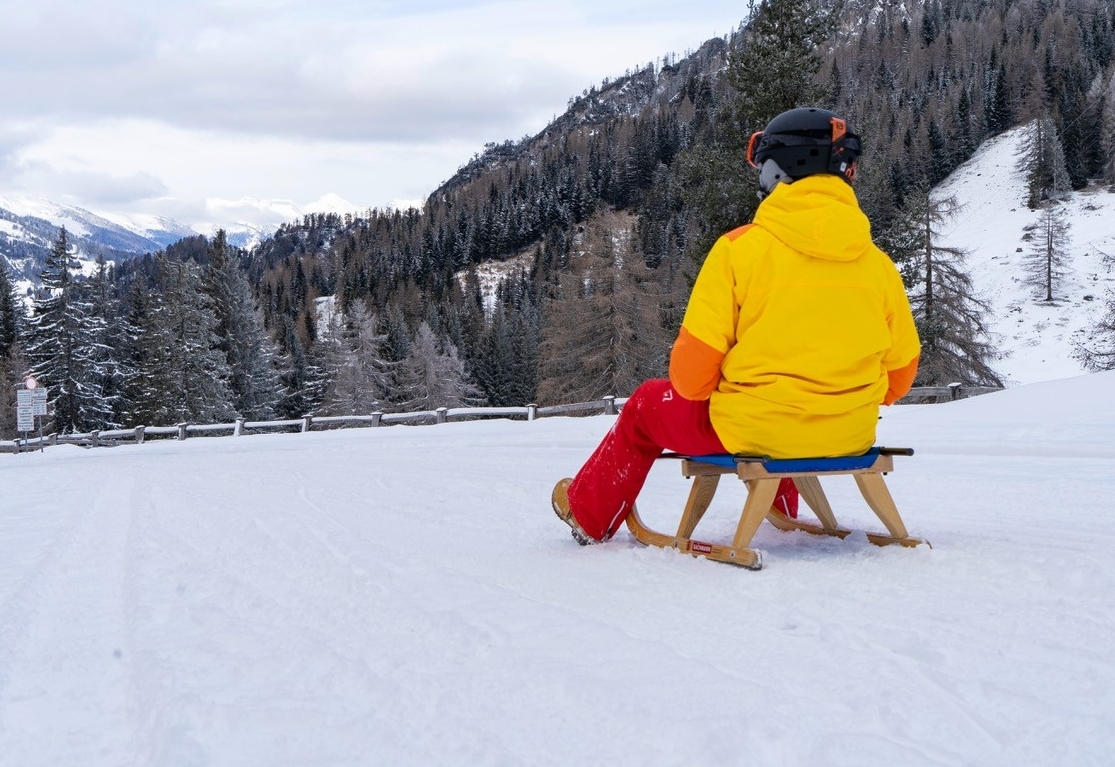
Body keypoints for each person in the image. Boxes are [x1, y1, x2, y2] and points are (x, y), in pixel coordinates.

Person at [552, 107, 921, 546]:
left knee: (645, 406)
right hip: (851, 432)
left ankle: (589, 513)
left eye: (763, 169)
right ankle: (781, 508)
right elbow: (899, 378)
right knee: (768, 407)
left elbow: (690, 380)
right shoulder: (878, 265)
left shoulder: (739, 250)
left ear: (783, 170)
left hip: (755, 431)